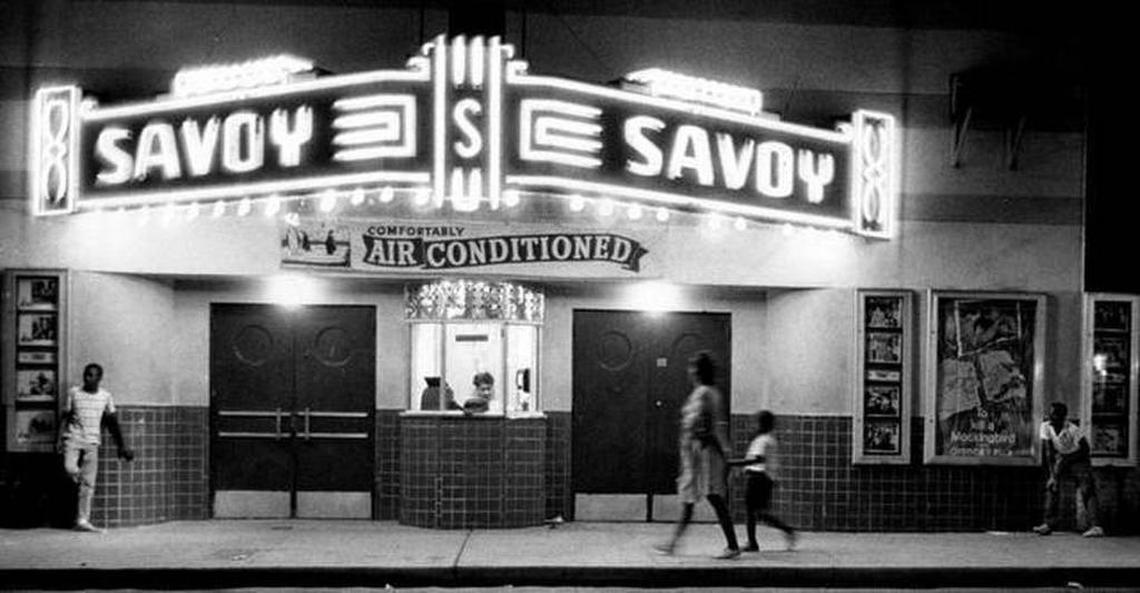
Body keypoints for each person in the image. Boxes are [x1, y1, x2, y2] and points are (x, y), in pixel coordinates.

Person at [655, 351, 740, 560]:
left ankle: (732, 545)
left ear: (699, 371)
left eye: (693, 367)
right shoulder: (704, 392)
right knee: (689, 498)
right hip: (696, 452)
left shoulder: (706, 393)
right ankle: (673, 543)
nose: (690, 371)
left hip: (704, 452)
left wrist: (724, 455)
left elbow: (711, 426)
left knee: (712, 497)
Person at [59, 363, 135, 533]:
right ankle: (81, 480)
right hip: (73, 438)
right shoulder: (74, 393)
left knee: (89, 484)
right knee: (69, 468)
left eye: (92, 375)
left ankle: (83, 520)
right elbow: (65, 416)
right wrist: (59, 439)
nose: (88, 378)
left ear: (99, 378)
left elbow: (112, 421)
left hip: (93, 442)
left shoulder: (106, 396)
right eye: (86, 374)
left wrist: (122, 445)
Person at [727, 410, 797, 551]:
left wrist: (733, 463)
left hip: (758, 478)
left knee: (755, 512)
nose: (753, 426)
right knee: (757, 512)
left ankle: (758, 540)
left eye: (756, 423)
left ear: (762, 424)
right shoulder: (769, 439)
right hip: (764, 478)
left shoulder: (763, 439)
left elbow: (757, 459)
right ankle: (759, 539)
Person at [1032, 401, 1103, 537]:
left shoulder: (1072, 429)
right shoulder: (1045, 427)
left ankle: (1096, 526)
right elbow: (1048, 452)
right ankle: (1049, 524)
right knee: (1052, 487)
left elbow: (1085, 449)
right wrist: (1053, 475)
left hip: (1078, 458)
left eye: (1053, 415)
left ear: (1061, 417)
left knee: (1086, 488)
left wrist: (1067, 459)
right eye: (1050, 414)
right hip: (1062, 458)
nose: (1050, 417)